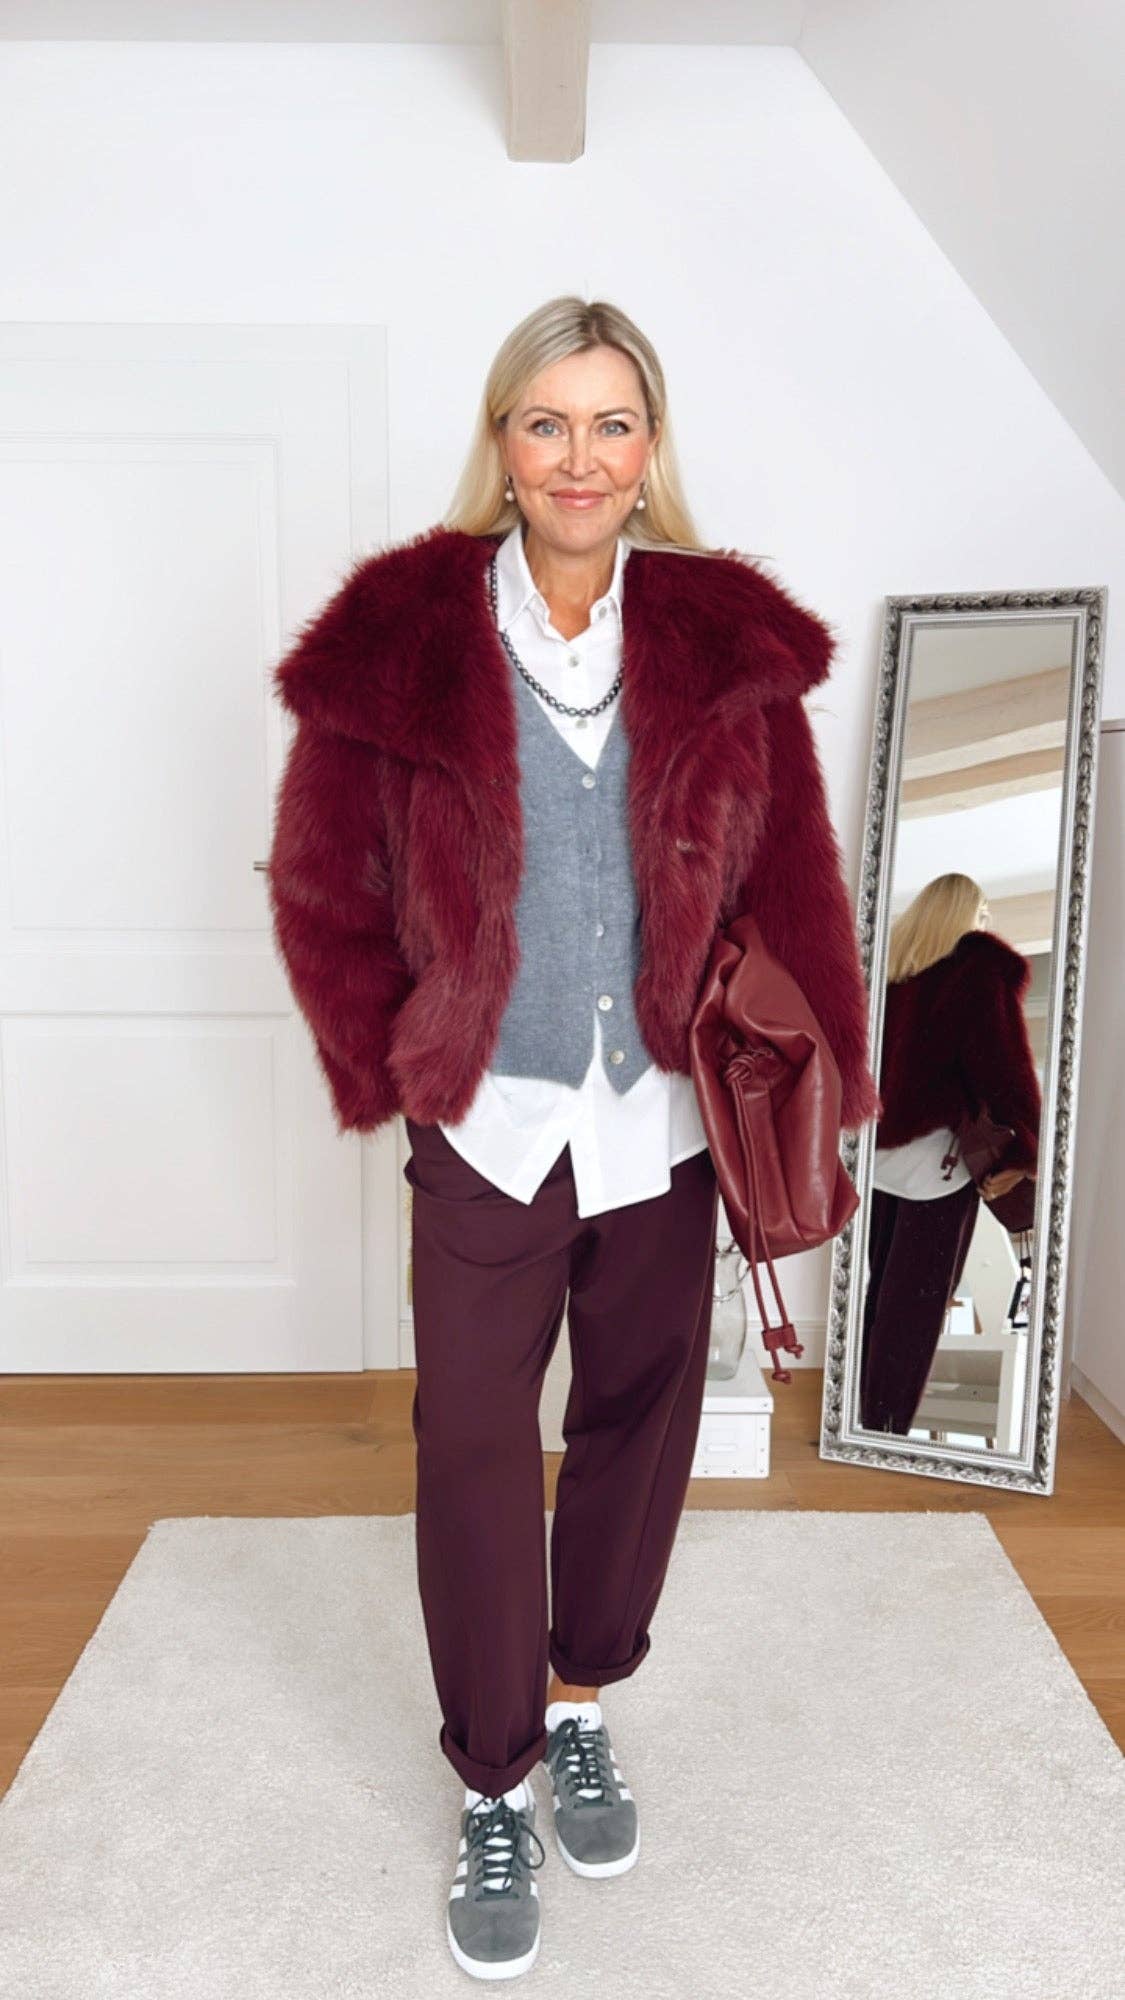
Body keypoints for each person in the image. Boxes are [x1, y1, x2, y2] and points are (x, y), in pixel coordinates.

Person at [266, 294, 879, 1981]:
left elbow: (794, 883)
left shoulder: (724, 646)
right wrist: (398, 1062)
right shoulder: (404, 639)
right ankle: (492, 1776)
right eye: (547, 423)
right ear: (503, 442)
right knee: (471, 1439)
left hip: (664, 1121)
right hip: (490, 1119)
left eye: (612, 424)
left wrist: (827, 1086)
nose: (580, 458)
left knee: (636, 1418)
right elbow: (322, 883)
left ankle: (581, 1693)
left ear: (650, 447)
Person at [860, 872, 1042, 1435]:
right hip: (939, 1168)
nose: (987, 926)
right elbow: (1003, 1069)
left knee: (880, 1299)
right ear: (965, 918)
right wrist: (1027, 1150)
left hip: (880, 1161)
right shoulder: (978, 971)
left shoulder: (889, 977)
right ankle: (885, 1432)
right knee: (914, 1314)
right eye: (982, 915)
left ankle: (860, 1421)